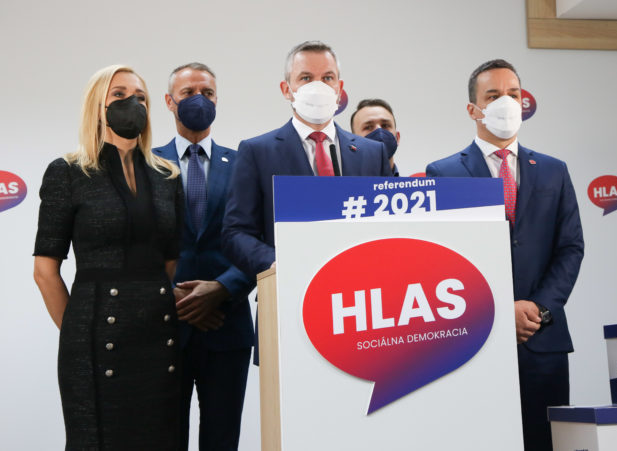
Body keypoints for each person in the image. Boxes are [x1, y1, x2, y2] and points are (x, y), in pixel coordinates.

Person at [425, 59, 584, 451]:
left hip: (542, 338)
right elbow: (441, 260)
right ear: (473, 109)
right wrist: (497, 314)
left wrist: (538, 309)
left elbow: (570, 247)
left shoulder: (554, 171)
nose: (506, 103)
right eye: (493, 95)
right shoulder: (444, 173)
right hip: (474, 340)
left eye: (513, 94)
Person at [33, 64, 183, 450]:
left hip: (157, 335)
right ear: (97, 106)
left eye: (140, 97)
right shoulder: (67, 172)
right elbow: (45, 271)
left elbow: (170, 260)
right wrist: (78, 333)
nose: (132, 103)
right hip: (94, 339)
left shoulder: (167, 176)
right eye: (119, 94)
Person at [222, 40, 392, 280]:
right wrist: (276, 263)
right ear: (286, 89)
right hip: (290, 286)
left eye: (327, 78)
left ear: (339, 88)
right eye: (306, 78)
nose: (318, 86)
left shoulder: (372, 153)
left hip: (359, 285)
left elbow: (387, 226)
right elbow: (236, 232)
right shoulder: (256, 152)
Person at [153, 62, 254, 451]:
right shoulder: (144, 164)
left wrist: (222, 288)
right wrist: (172, 297)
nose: (199, 100)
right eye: (188, 93)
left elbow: (261, 237)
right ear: (169, 101)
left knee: (222, 441)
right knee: (164, 439)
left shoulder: (244, 163)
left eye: (207, 93)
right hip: (163, 327)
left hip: (227, 325)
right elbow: (133, 243)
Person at [350, 98, 400, 176]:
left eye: (385, 125)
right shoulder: (341, 183)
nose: (379, 131)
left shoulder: (415, 184)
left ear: (397, 138)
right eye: (368, 127)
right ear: (353, 141)